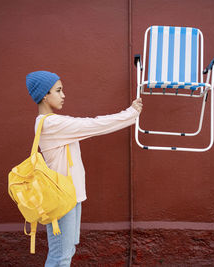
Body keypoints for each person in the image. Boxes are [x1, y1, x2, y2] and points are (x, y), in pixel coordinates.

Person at [26, 70, 143, 266]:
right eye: (58, 90)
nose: (63, 95)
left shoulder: (53, 122)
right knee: (60, 257)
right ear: (45, 95)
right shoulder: (51, 124)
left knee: (67, 252)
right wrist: (130, 113)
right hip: (61, 199)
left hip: (70, 196)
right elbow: (93, 125)